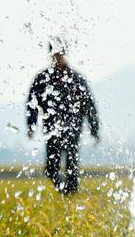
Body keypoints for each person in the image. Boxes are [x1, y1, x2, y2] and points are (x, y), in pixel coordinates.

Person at [25, 37, 100, 195]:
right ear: (51, 55)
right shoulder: (42, 79)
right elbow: (32, 102)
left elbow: (89, 106)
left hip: (73, 129)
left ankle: (71, 195)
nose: (59, 57)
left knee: (72, 166)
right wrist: (31, 125)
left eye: (61, 53)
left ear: (65, 54)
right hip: (51, 129)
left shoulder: (76, 79)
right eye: (55, 54)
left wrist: (94, 129)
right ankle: (64, 192)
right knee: (51, 169)